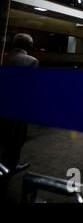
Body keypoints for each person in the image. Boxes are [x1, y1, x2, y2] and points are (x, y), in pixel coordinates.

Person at [0, 33, 38, 198]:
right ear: (29, 46)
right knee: (14, 143)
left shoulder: (3, 56)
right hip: (16, 110)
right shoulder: (31, 61)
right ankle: (5, 179)